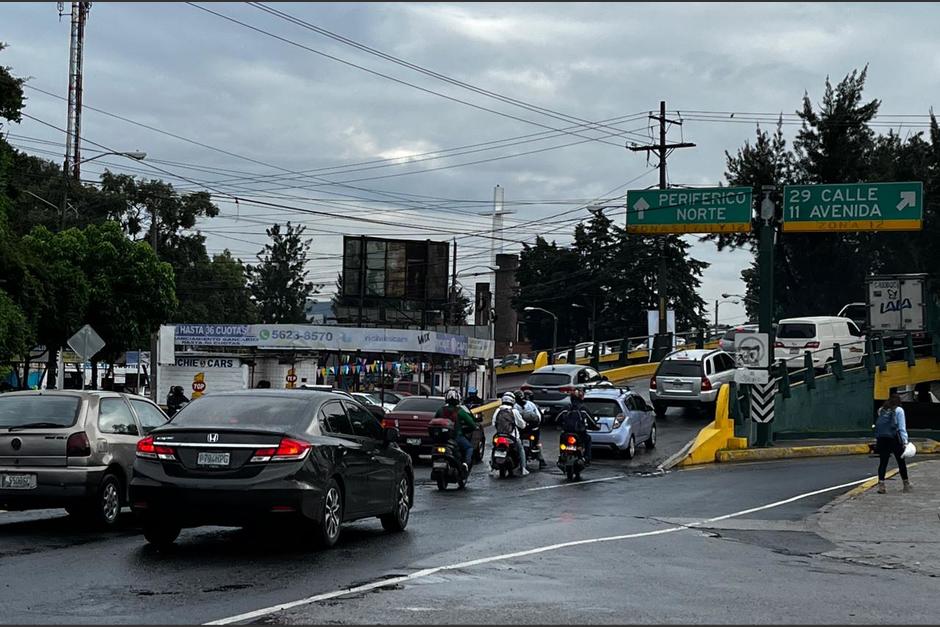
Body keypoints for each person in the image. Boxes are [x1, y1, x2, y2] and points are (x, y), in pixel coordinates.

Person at [874, 393, 912, 493]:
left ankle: (881, 485)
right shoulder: (899, 410)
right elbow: (901, 427)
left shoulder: (881, 409)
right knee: (901, 461)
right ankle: (906, 484)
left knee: (883, 462)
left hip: (882, 438)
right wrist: (905, 442)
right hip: (894, 438)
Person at [435, 389, 477, 472]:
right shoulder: (460, 411)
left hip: (443, 438)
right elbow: (472, 424)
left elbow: (435, 421)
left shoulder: (441, 410)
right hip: (456, 437)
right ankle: (466, 464)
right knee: (469, 448)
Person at [557, 386, 599, 464]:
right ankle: (586, 458)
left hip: (566, 433)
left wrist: (560, 425)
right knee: (588, 439)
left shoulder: (566, 408)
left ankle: (561, 456)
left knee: (562, 438)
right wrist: (596, 427)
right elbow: (592, 421)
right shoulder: (583, 409)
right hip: (580, 434)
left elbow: (556, 419)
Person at [493, 392, 529, 476]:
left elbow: (493, 423)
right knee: (521, 449)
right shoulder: (514, 411)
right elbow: (522, 425)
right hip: (512, 437)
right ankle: (523, 468)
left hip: (499, 436)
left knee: (494, 447)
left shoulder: (498, 410)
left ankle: (492, 467)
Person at [515, 390, 547, 470]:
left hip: (523, 429)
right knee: (537, 443)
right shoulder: (532, 405)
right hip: (532, 429)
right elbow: (539, 417)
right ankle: (541, 460)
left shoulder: (515, 406)